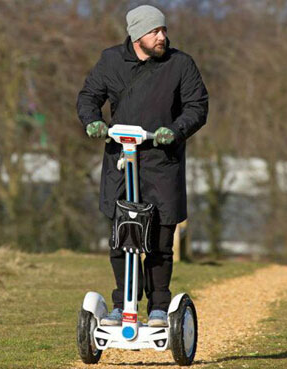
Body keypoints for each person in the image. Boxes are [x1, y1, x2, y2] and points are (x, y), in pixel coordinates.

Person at [77, 5, 208, 327]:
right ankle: (122, 305)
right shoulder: (111, 61)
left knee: (161, 241)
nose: (162, 36)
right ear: (137, 35)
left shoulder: (180, 64)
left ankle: (160, 308)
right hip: (121, 162)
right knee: (123, 236)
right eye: (154, 32)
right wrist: (93, 121)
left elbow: (197, 106)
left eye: (163, 30)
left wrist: (174, 131)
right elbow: (88, 97)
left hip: (163, 162)